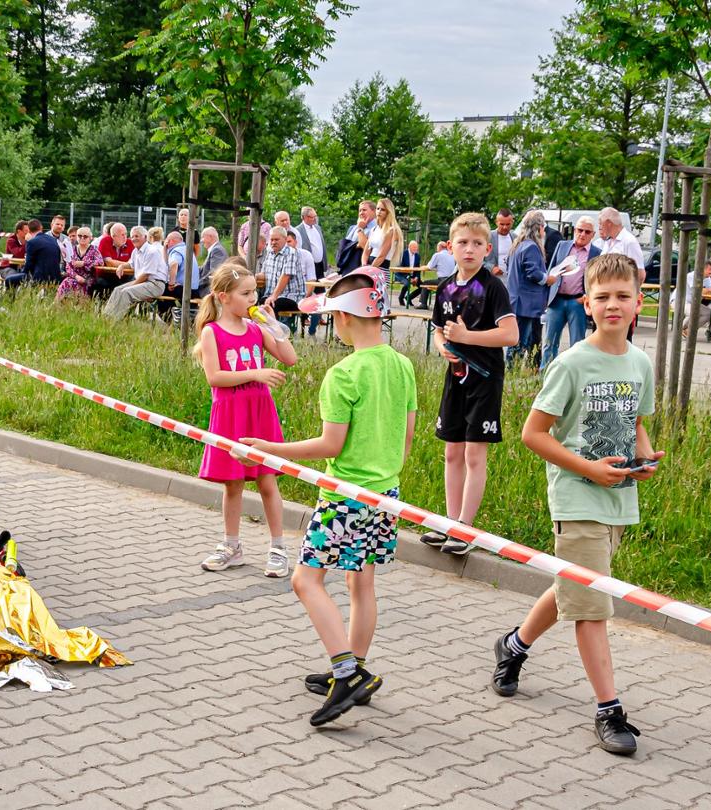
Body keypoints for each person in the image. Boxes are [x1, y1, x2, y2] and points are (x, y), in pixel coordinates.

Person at [490, 253, 658, 755]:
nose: (612, 305)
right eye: (602, 297)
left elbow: (637, 424)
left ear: (637, 304)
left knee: (575, 587)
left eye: (622, 296)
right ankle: (609, 710)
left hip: (619, 499)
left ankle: (514, 645)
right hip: (577, 496)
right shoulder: (571, 363)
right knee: (591, 607)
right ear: (585, 303)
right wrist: (589, 469)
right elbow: (533, 434)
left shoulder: (640, 361)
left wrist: (644, 456)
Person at [242, 271, 416, 727]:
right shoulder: (402, 365)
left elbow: (330, 446)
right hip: (385, 492)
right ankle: (355, 667)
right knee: (361, 584)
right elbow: (407, 439)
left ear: (342, 317)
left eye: (332, 317)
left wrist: (270, 449)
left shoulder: (343, 374)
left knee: (305, 581)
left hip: (345, 496)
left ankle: (345, 673)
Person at [195, 262, 300, 577]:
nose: (253, 298)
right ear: (223, 297)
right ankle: (232, 546)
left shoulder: (256, 329)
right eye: (246, 293)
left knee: (267, 480)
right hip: (231, 413)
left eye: (255, 291)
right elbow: (215, 377)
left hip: (259, 413)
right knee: (233, 484)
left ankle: (278, 548)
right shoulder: (211, 332)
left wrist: (273, 326)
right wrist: (255, 372)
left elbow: (290, 358)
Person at [422, 213, 518, 556]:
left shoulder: (492, 287)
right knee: (452, 451)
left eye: (477, 243)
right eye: (462, 242)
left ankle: (465, 528)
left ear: (487, 248)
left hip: (486, 379)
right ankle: (449, 522)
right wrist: (443, 347)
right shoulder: (446, 286)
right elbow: (437, 330)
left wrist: (467, 336)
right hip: (456, 377)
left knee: (475, 452)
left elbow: (511, 334)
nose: (469, 249)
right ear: (450, 246)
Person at [541, 216, 602, 368]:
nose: (582, 234)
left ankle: (575, 374)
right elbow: (552, 269)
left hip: (578, 302)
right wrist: (547, 295)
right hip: (557, 300)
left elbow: (597, 280)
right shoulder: (563, 245)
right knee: (550, 342)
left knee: (577, 343)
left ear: (593, 235)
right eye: (580, 230)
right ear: (575, 230)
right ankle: (546, 373)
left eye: (587, 232)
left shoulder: (597, 253)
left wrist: (588, 297)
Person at [505, 210, 552, 367]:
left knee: (515, 339)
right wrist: (548, 279)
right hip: (526, 303)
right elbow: (532, 272)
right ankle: (512, 372)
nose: (544, 231)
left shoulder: (517, 245)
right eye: (543, 227)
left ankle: (511, 369)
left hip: (516, 299)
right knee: (520, 341)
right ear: (539, 228)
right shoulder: (531, 247)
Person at [103, 226, 169, 319]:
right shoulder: (135, 251)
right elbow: (130, 264)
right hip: (144, 282)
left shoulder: (152, 251)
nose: (134, 239)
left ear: (145, 237)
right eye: (132, 236)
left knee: (126, 292)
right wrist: (121, 266)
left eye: (137, 236)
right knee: (117, 290)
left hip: (155, 284)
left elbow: (146, 275)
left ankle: (114, 320)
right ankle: (106, 317)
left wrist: (132, 284)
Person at [260, 226, 305, 321]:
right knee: (254, 303)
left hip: (292, 297)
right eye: (271, 240)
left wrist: (273, 296)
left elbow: (286, 276)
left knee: (273, 305)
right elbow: (263, 275)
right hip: (271, 296)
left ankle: (275, 334)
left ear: (285, 239)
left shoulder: (291, 253)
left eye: (276, 239)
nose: (273, 242)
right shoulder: (269, 254)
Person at [363, 199, 404, 299]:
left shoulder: (391, 231)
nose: (379, 211)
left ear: (388, 212)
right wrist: (364, 266)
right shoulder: (374, 229)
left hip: (381, 269)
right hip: (370, 265)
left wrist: (369, 270)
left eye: (383, 209)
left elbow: (382, 256)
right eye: (377, 209)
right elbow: (366, 251)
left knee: (377, 303)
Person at [58, 227, 103, 301]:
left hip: (88, 277)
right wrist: (76, 276)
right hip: (74, 277)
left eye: (85, 236)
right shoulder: (72, 249)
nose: (82, 238)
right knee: (67, 282)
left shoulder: (94, 249)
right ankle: (59, 306)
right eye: (79, 236)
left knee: (78, 284)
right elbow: (68, 266)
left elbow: (100, 262)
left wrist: (84, 263)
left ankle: (81, 307)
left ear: (90, 238)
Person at [94, 222, 134, 300]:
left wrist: (126, 265)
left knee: (131, 286)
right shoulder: (105, 241)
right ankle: (104, 310)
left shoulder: (130, 243)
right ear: (113, 236)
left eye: (126, 234)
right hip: (106, 276)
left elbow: (134, 262)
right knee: (102, 285)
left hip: (124, 276)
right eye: (122, 235)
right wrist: (127, 265)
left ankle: (127, 311)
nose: (125, 237)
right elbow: (109, 262)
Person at [336, 199, 377, 274]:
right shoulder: (353, 228)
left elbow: (366, 247)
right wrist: (356, 245)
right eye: (360, 210)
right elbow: (346, 247)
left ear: (374, 211)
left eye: (364, 210)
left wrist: (360, 229)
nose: (361, 213)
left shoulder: (376, 228)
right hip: (348, 268)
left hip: (364, 268)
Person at [296, 206, 326, 279]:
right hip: (308, 267)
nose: (314, 219)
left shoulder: (318, 228)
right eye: (311, 217)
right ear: (304, 217)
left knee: (320, 289)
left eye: (315, 216)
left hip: (320, 265)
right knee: (309, 288)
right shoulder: (298, 230)